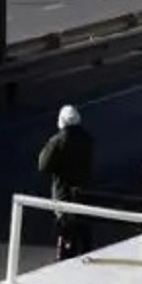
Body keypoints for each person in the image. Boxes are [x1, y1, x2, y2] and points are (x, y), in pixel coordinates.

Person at [38, 103, 96, 260]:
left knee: (65, 229)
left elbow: (43, 165)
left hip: (63, 192)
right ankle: (87, 257)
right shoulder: (87, 139)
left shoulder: (57, 141)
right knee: (84, 227)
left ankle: (64, 259)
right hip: (83, 191)